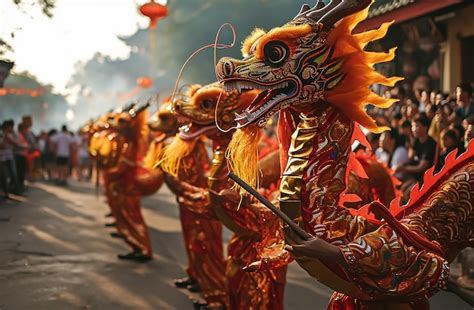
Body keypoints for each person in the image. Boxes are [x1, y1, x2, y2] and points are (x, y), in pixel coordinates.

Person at [396, 115, 438, 201]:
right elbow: (410, 157)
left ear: (425, 127)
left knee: (408, 193)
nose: (414, 129)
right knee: (401, 189)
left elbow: (421, 167)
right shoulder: (416, 140)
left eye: (417, 126)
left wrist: (404, 168)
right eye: (413, 126)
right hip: (415, 176)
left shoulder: (430, 144)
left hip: (426, 177)